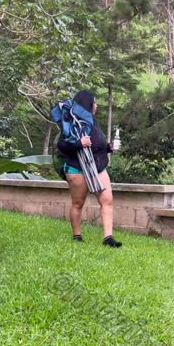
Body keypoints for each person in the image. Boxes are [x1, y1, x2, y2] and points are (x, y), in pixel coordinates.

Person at [56, 89, 122, 247]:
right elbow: (62, 145)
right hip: (77, 168)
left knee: (107, 200)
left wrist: (108, 147)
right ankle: (77, 236)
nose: (96, 105)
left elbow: (97, 145)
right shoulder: (73, 122)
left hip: (98, 167)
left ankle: (108, 238)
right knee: (78, 203)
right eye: (94, 102)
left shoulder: (92, 121)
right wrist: (79, 143)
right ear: (88, 103)